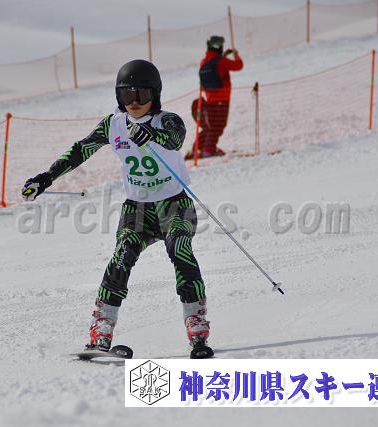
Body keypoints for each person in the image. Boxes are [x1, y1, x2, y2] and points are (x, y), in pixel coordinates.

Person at [21, 60, 213, 358]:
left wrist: (151, 134)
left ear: (155, 94)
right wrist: (46, 178)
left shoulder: (168, 121)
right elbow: (80, 151)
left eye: (142, 94)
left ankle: (196, 326)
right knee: (122, 256)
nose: (134, 102)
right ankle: (101, 330)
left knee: (179, 249)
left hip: (174, 204)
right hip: (137, 208)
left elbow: (175, 140)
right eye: (127, 95)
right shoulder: (113, 124)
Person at [186, 35, 244, 160]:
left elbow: (217, 64)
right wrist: (236, 55)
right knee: (217, 126)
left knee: (210, 126)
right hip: (222, 100)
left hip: (209, 99)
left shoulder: (204, 61)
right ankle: (208, 150)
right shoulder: (221, 61)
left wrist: (223, 56)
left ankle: (198, 148)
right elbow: (238, 65)